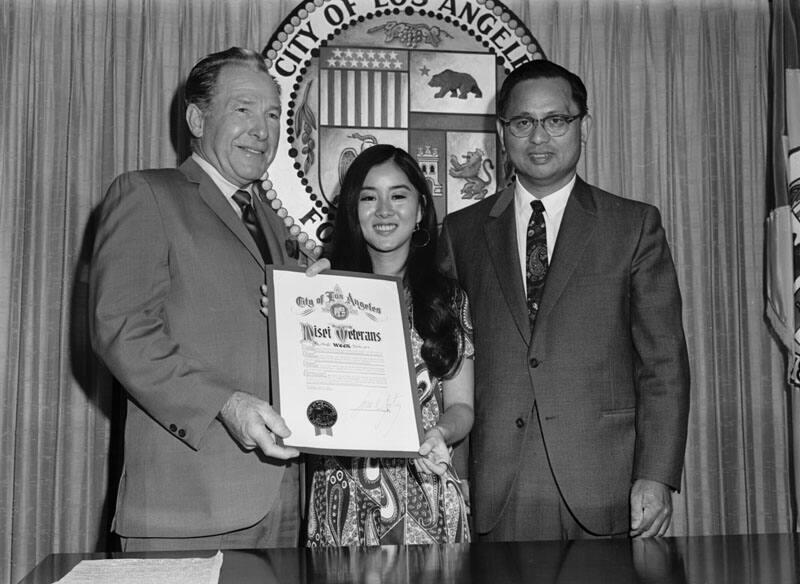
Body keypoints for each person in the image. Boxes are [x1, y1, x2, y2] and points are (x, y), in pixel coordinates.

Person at [438, 59, 690, 541]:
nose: (538, 138)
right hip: (495, 489)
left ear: (583, 126)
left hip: (605, 484)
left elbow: (664, 364)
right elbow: (451, 362)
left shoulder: (632, 227)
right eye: (523, 123)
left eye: (556, 121)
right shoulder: (462, 232)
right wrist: (459, 472)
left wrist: (656, 475)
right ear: (502, 131)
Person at [90, 47, 304, 551]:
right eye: (243, 109)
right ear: (197, 117)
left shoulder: (274, 224)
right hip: (187, 509)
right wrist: (224, 404)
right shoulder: (146, 194)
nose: (262, 128)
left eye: (273, 114)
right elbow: (121, 330)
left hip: (283, 507)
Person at [304, 144, 475, 546]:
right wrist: (295, 301)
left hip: (427, 495)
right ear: (352, 211)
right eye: (368, 197)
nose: (384, 210)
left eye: (398, 196)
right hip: (340, 500)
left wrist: (440, 433)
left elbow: (463, 407)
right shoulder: (324, 293)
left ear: (419, 212)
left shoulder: (449, 300)